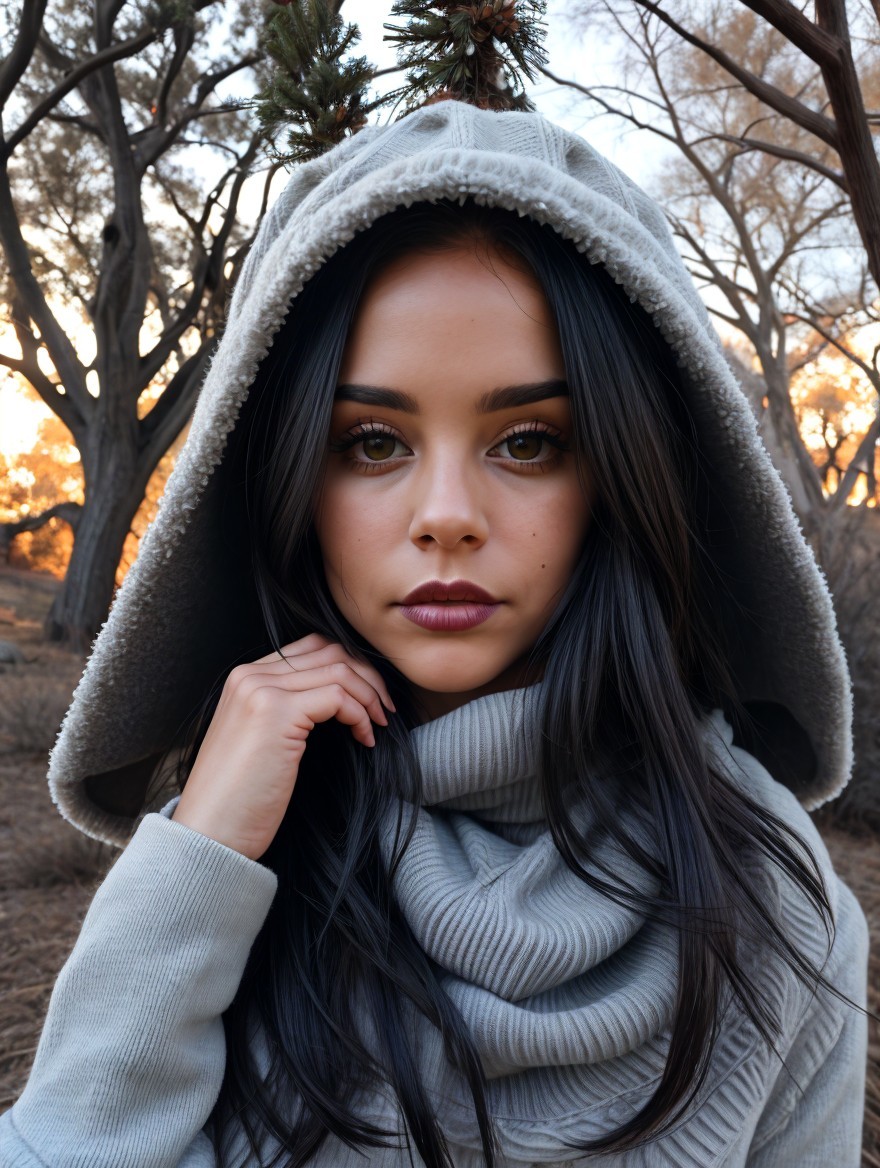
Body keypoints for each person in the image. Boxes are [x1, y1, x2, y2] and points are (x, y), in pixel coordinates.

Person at [0, 97, 869, 1168]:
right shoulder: (229, 854)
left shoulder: (783, 913)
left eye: (527, 440)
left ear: (623, 472)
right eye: (371, 440)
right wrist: (197, 859)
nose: (445, 513)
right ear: (284, 481)